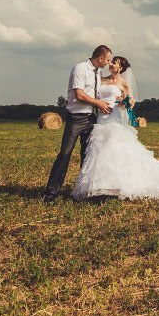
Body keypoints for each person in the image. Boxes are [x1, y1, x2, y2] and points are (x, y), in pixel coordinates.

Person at [71, 55, 159, 201]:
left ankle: (116, 186)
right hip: (100, 121)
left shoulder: (124, 84)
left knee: (114, 153)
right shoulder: (100, 79)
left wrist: (125, 102)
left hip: (114, 120)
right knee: (99, 154)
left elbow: (127, 105)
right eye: (111, 61)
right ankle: (101, 186)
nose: (111, 64)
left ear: (121, 68)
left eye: (114, 62)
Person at [44, 45, 113, 201]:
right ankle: (51, 193)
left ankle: (83, 192)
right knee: (65, 154)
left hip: (92, 118)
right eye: (108, 60)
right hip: (76, 118)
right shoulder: (80, 68)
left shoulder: (98, 72)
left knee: (87, 156)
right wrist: (98, 103)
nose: (108, 63)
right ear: (101, 57)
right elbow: (79, 95)